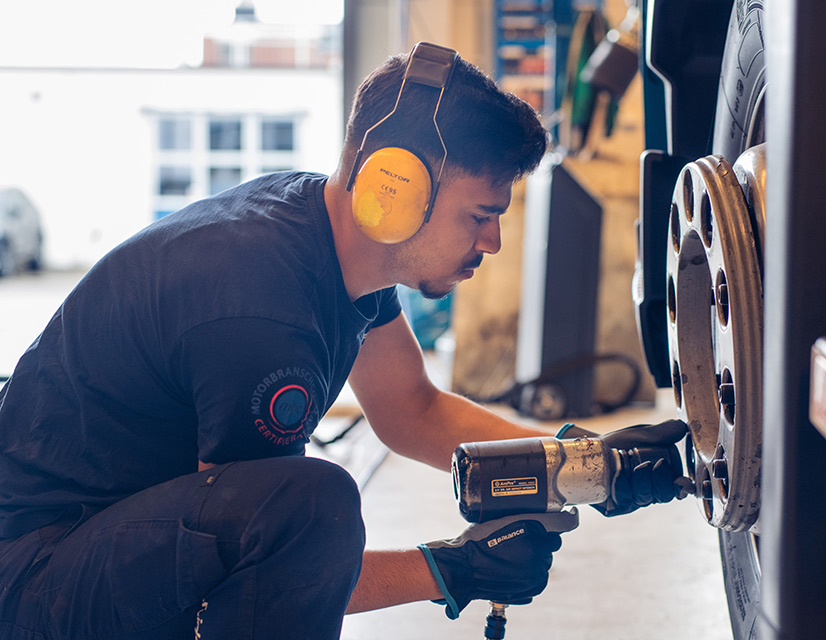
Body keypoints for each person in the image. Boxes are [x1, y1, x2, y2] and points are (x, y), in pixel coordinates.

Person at [0, 43, 687, 639]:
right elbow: (272, 554)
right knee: (310, 504)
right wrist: (448, 568)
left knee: (301, 504)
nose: (494, 241)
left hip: (98, 542)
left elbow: (413, 409)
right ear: (396, 186)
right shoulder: (259, 310)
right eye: (479, 215)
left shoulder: (325, 240)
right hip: (38, 582)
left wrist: (585, 465)